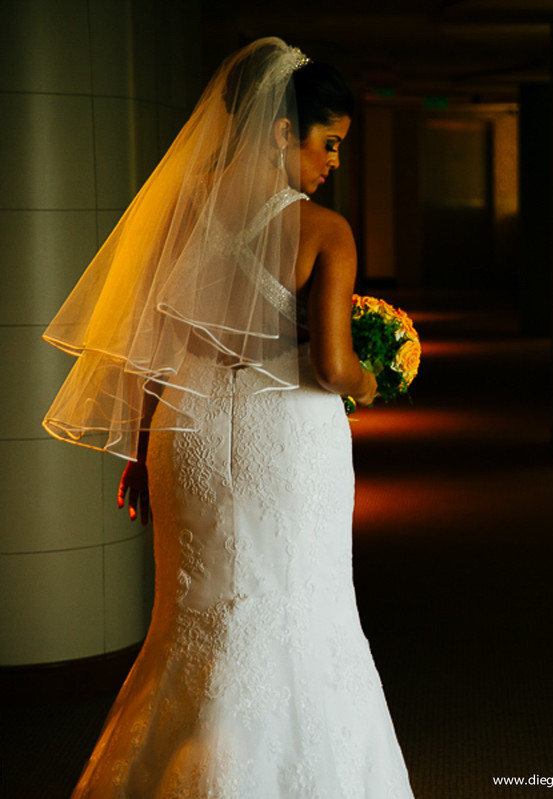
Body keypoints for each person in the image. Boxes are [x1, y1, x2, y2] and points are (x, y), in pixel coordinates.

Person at [42, 37, 413, 797]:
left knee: (193, 609)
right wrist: (378, 378)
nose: (332, 163)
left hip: (188, 428)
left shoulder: (177, 208)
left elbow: (151, 340)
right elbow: (332, 368)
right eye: (328, 144)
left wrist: (144, 447)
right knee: (303, 605)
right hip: (288, 436)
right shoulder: (324, 231)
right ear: (283, 131)